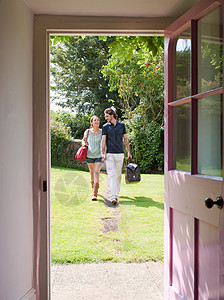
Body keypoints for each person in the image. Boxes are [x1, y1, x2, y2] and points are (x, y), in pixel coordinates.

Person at [101, 107, 132, 204]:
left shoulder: (122, 125)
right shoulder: (105, 127)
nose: (106, 118)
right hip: (109, 154)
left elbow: (125, 139)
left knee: (118, 175)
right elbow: (103, 140)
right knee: (111, 174)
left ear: (112, 115)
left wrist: (129, 152)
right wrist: (103, 152)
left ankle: (116, 194)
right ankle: (113, 196)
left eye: (107, 116)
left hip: (120, 153)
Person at [82, 116, 103, 201]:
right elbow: (83, 140)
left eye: (98, 120)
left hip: (99, 155)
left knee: (96, 172)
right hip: (89, 155)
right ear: (92, 122)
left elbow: (104, 142)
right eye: (95, 120)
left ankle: (94, 193)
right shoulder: (87, 131)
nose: (97, 121)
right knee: (92, 173)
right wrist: (84, 144)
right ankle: (94, 187)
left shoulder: (102, 132)